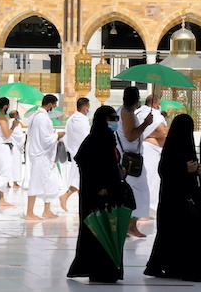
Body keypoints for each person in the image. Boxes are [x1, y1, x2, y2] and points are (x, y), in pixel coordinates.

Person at [67, 106, 126, 284]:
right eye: (112, 118)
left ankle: (108, 270)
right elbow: (86, 163)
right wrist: (99, 186)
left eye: (116, 118)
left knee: (109, 230)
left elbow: (108, 164)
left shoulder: (109, 138)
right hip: (97, 195)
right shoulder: (95, 139)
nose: (115, 122)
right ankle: (99, 270)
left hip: (110, 193)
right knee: (98, 230)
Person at [144, 113, 201, 281]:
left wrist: (195, 170)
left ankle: (173, 267)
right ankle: (175, 268)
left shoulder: (186, 146)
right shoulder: (172, 149)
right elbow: (165, 171)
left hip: (183, 199)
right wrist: (185, 170)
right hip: (173, 200)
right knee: (175, 234)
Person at [117, 86, 153, 237]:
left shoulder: (124, 111)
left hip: (129, 158)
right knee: (138, 193)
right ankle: (130, 225)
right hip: (130, 161)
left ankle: (128, 225)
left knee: (133, 193)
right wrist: (146, 123)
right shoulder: (127, 113)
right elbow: (130, 136)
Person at [25, 94, 65, 221]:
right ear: (49, 105)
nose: (54, 108)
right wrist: (57, 135)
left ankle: (46, 211)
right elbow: (46, 139)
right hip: (40, 156)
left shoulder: (34, 116)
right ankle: (29, 212)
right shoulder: (42, 118)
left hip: (43, 155)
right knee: (35, 184)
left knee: (51, 183)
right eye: (54, 106)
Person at [59, 97, 91, 212]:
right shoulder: (81, 120)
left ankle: (83, 204)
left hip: (74, 152)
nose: (88, 110)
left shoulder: (71, 118)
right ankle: (65, 196)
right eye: (88, 108)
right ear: (84, 108)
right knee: (80, 179)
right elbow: (86, 137)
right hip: (82, 154)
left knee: (82, 180)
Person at [138, 94, 167, 213]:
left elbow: (147, 132)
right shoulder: (152, 114)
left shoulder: (139, 113)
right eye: (159, 104)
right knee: (149, 181)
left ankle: (144, 210)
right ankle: (144, 211)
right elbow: (164, 133)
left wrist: (149, 134)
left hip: (149, 150)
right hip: (149, 151)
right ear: (154, 105)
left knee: (151, 180)